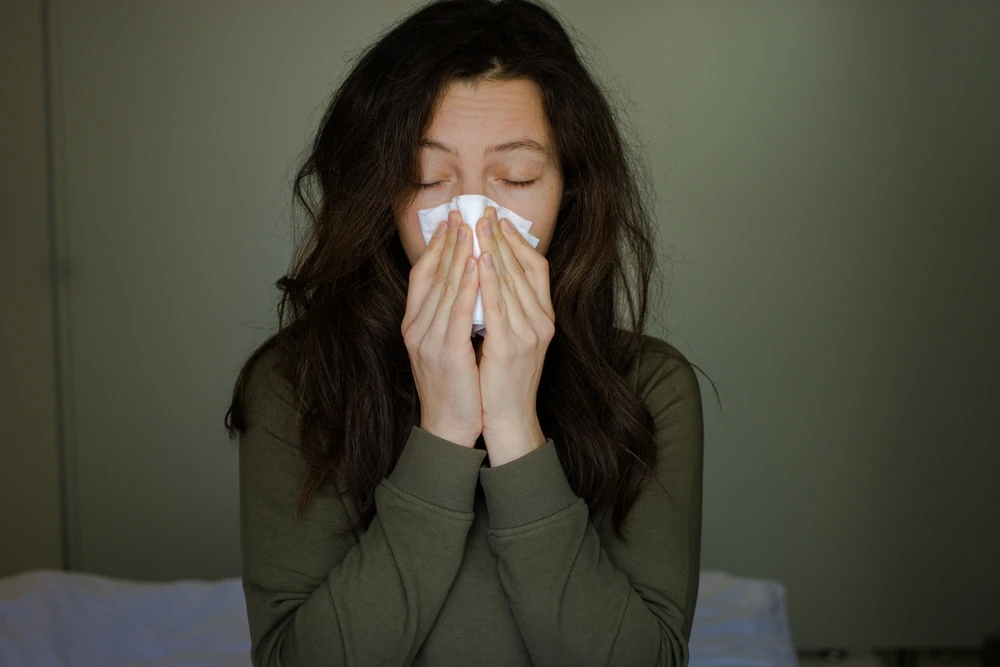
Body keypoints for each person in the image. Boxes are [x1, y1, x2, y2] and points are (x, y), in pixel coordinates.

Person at [225, 0, 706, 665]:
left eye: (516, 177)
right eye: (428, 178)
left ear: (570, 187)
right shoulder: (294, 384)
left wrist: (514, 426)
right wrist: (445, 431)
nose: (474, 219)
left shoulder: (652, 388)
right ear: (381, 192)